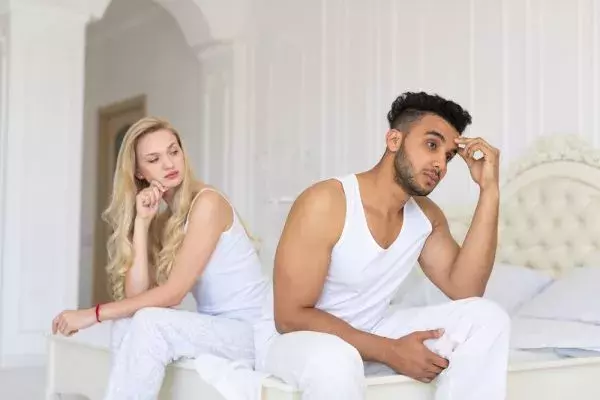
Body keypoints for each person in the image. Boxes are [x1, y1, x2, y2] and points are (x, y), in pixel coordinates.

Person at [253, 92, 510, 400]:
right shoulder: (327, 202)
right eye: (432, 145)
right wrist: (390, 351)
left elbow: (467, 289)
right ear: (394, 140)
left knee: (487, 318)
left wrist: (489, 189)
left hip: (371, 327)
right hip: (294, 339)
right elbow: (289, 316)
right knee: (336, 359)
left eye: (448, 156)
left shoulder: (426, 217)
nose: (440, 164)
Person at [51, 116, 269, 399]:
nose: (169, 164)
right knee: (127, 323)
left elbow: (173, 293)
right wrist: (142, 224)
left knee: (150, 323)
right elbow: (137, 295)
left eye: (173, 151)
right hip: (221, 329)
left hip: (251, 334)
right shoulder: (167, 219)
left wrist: (92, 315)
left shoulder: (208, 203)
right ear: (139, 172)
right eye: (154, 159)